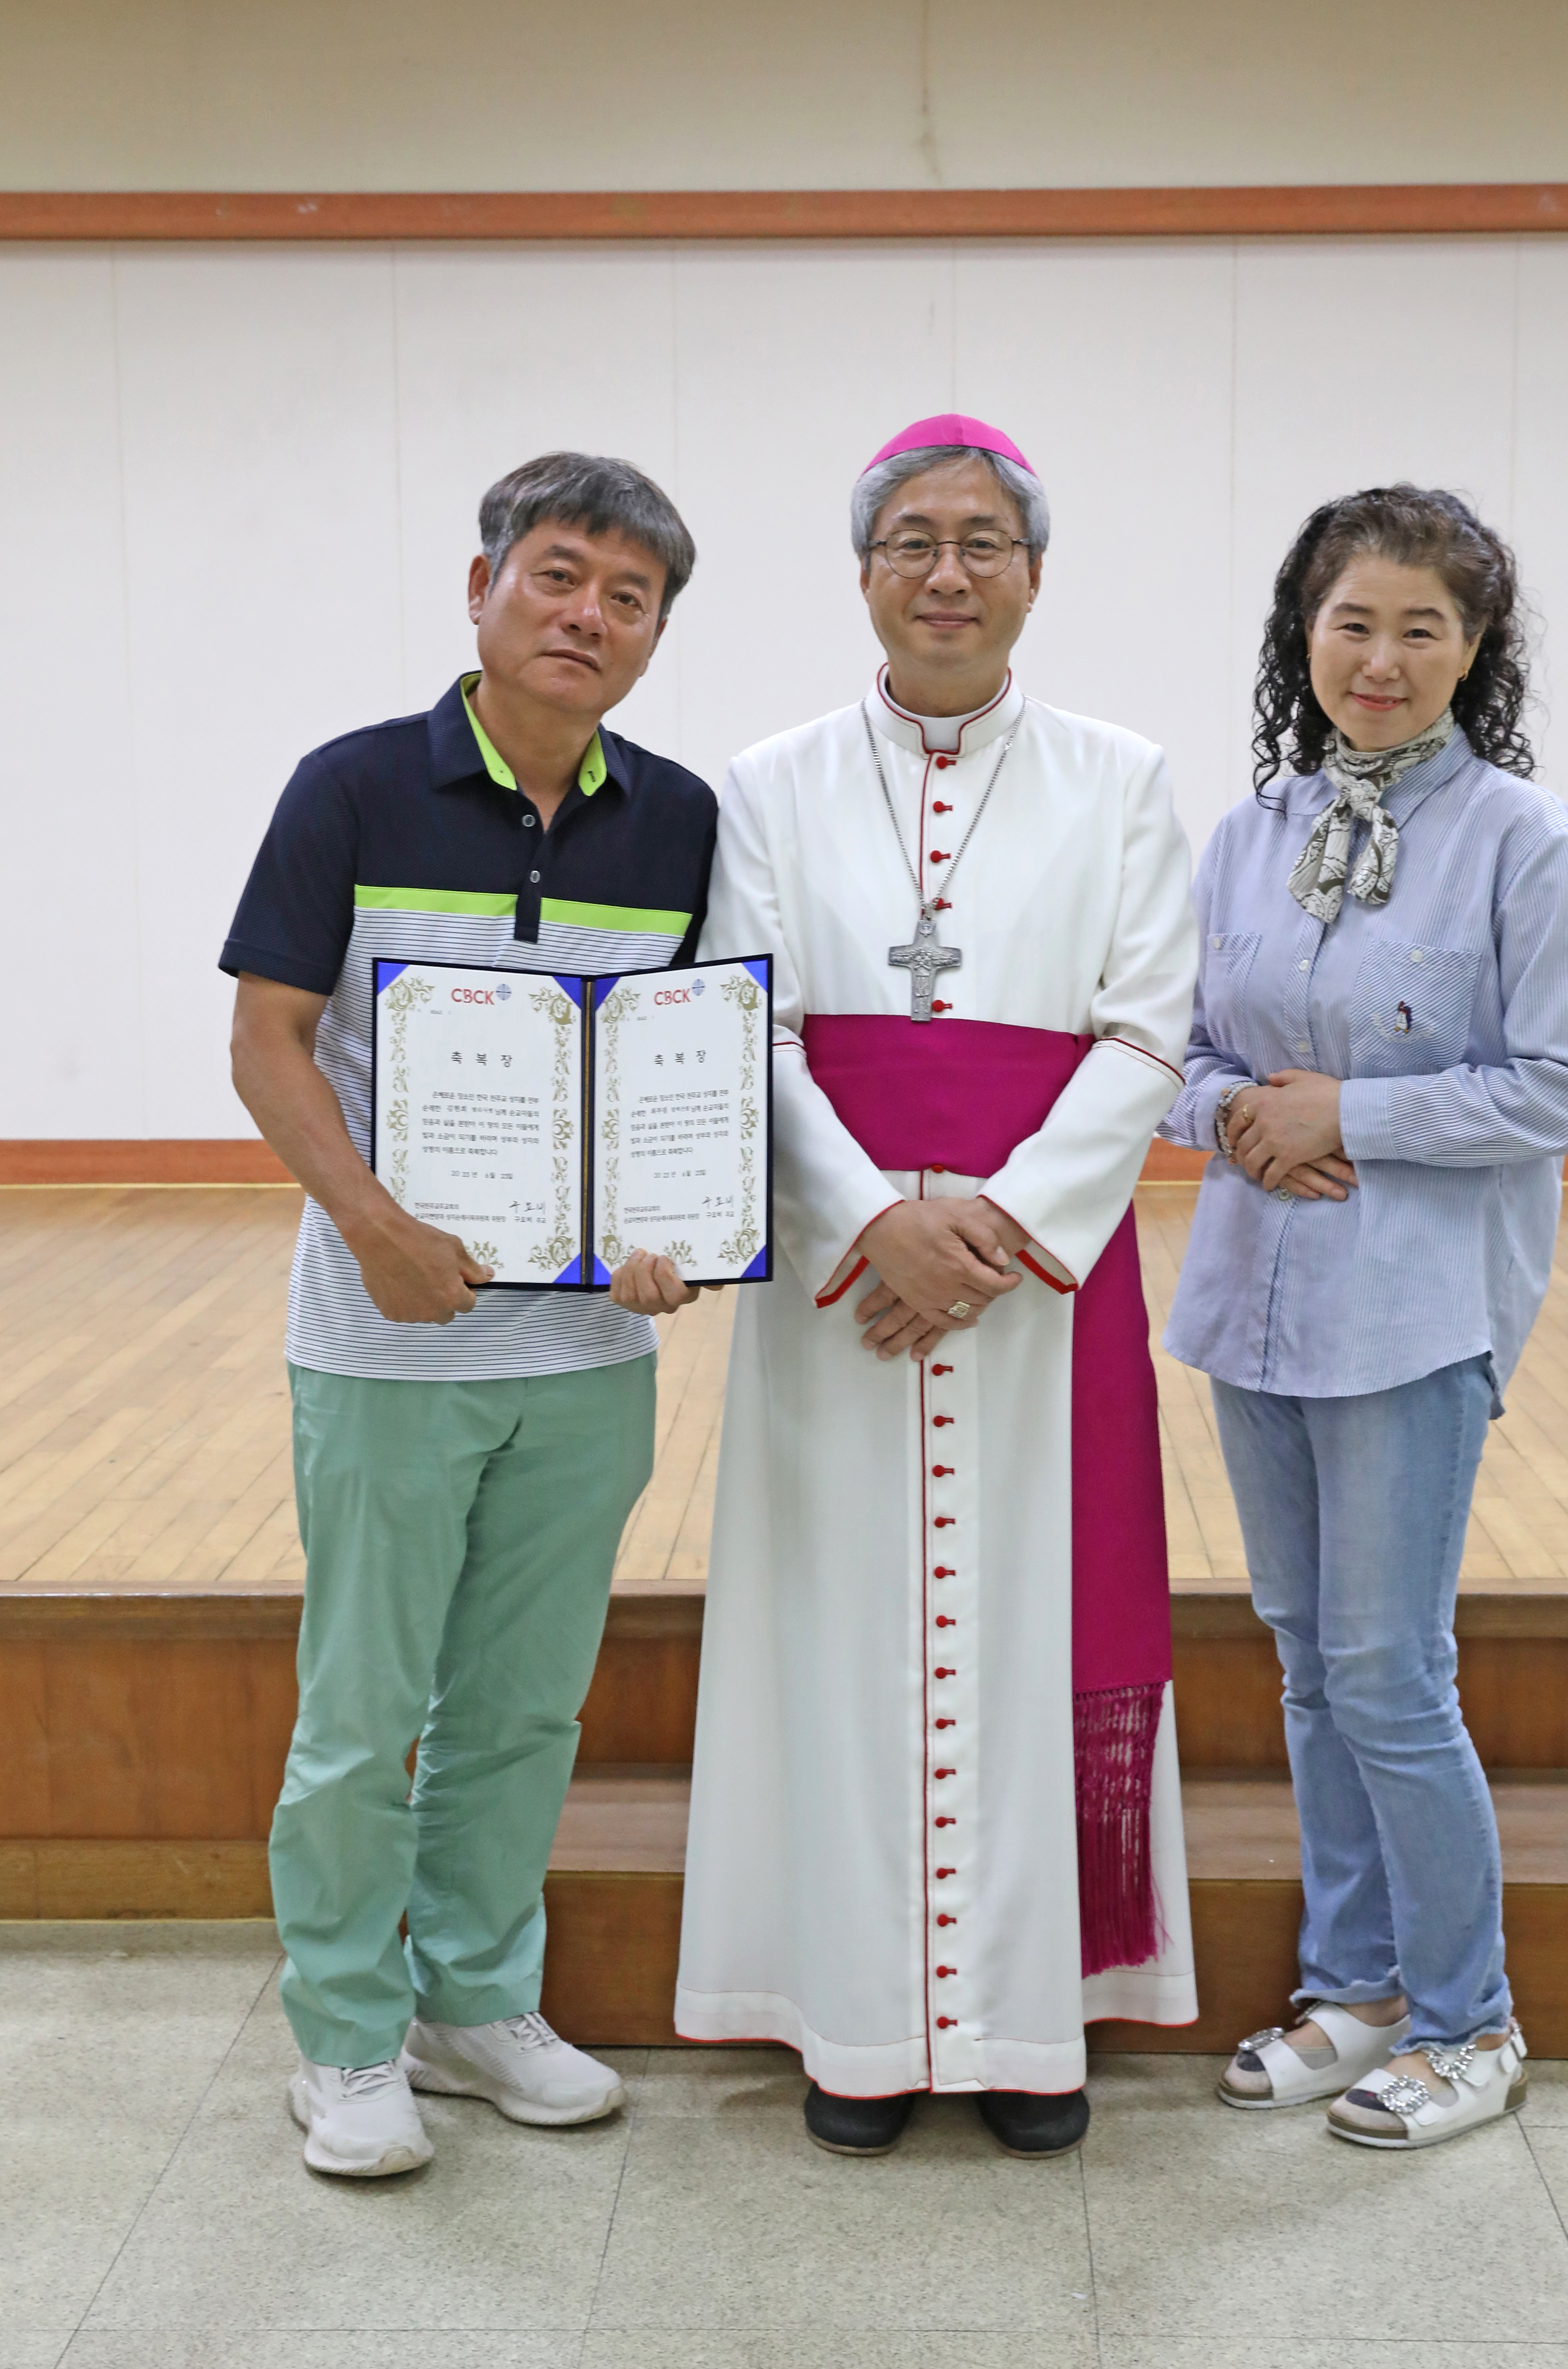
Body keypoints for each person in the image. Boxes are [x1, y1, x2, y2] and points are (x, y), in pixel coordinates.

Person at [673, 414, 1201, 2159]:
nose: (947, 572)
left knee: (1035, 1624)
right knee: (838, 1637)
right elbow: (738, 1020)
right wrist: (867, 1219)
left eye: (983, 540)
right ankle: (858, 2027)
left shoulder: (1120, 776)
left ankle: (1025, 2026)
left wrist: (992, 1232)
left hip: (1037, 1290)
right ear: (863, 573)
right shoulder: (766, 782)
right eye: (912, 538)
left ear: (1033, 576)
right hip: (842, 1294)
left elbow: (1143, 1030)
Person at [222, 452, 715, 2177]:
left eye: (627, 596)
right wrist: (366, 1223)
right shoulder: (349, 789)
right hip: (387, 1348)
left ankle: (474, 1998)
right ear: (484, 586)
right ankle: (348, 2037)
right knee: (365, 1713)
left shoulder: (678, 822)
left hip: (588, 1359)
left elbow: (688, 1083)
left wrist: (672, 1238)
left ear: (656, 631)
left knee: (521, 1708)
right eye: (559, 576)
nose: (588, 615)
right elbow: (268, 1038)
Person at [1161, 485, 1568, 2149]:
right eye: (1351, 620)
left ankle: (1467, 2017)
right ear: (1305, 632)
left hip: (1415, 1312)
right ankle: (1350, 1987)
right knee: (1306, 1668)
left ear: (1473, 650)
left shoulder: (1520, 836)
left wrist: (1347, 1115)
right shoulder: (1247, 831)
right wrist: (1237, 1116)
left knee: (1387, 1668)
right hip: (1252, 1304)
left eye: (1420, 627)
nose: (1380, 656)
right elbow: (1177, 1060)